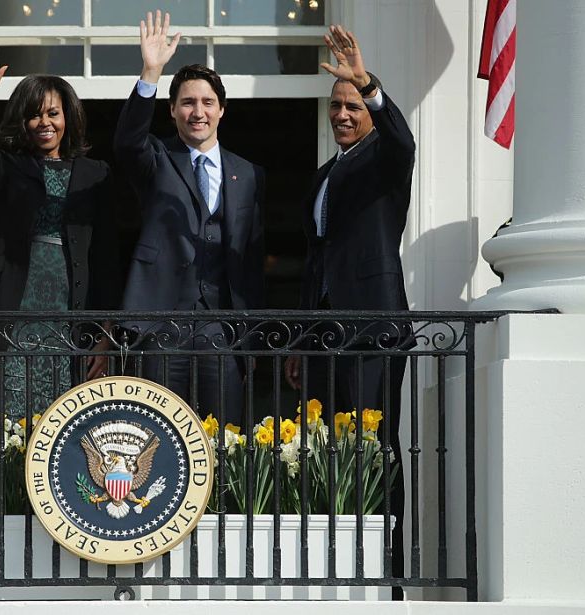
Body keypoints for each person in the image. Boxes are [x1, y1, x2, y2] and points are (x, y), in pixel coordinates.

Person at [283, 25, 415, 588]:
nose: (341, 113)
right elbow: (316, 262)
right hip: (323, 337)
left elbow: (403, 139)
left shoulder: (386, 160)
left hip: (373, 330)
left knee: (377, 448)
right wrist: (296, 337)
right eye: (336, 105)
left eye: (352, 105)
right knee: (326, 452)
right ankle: (336, 561)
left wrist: (369, 82)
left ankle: (387, 568)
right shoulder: (321, 178)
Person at [0, 40, 118, 416]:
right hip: (9, 298)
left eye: (53, 113)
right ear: (22, 122)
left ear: (68, 117)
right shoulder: (6, 164)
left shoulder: (96, 174)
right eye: (35, 115)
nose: (45, 123)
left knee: (64, 410)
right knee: (0, 404)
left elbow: (106, 259)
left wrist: (105, 337)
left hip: (71, 304)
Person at [114, 11, 265, 425]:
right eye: (187, 103)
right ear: (173, 110)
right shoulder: (157, 158)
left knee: (227, 438)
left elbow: (251, 257)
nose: (198, 111)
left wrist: (249, 337)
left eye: (207, 103)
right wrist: (151, 71)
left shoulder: (247, 173)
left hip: (222, 329)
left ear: (222, 110)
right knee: (159, 434)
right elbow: (126, 142)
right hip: (161, 325)